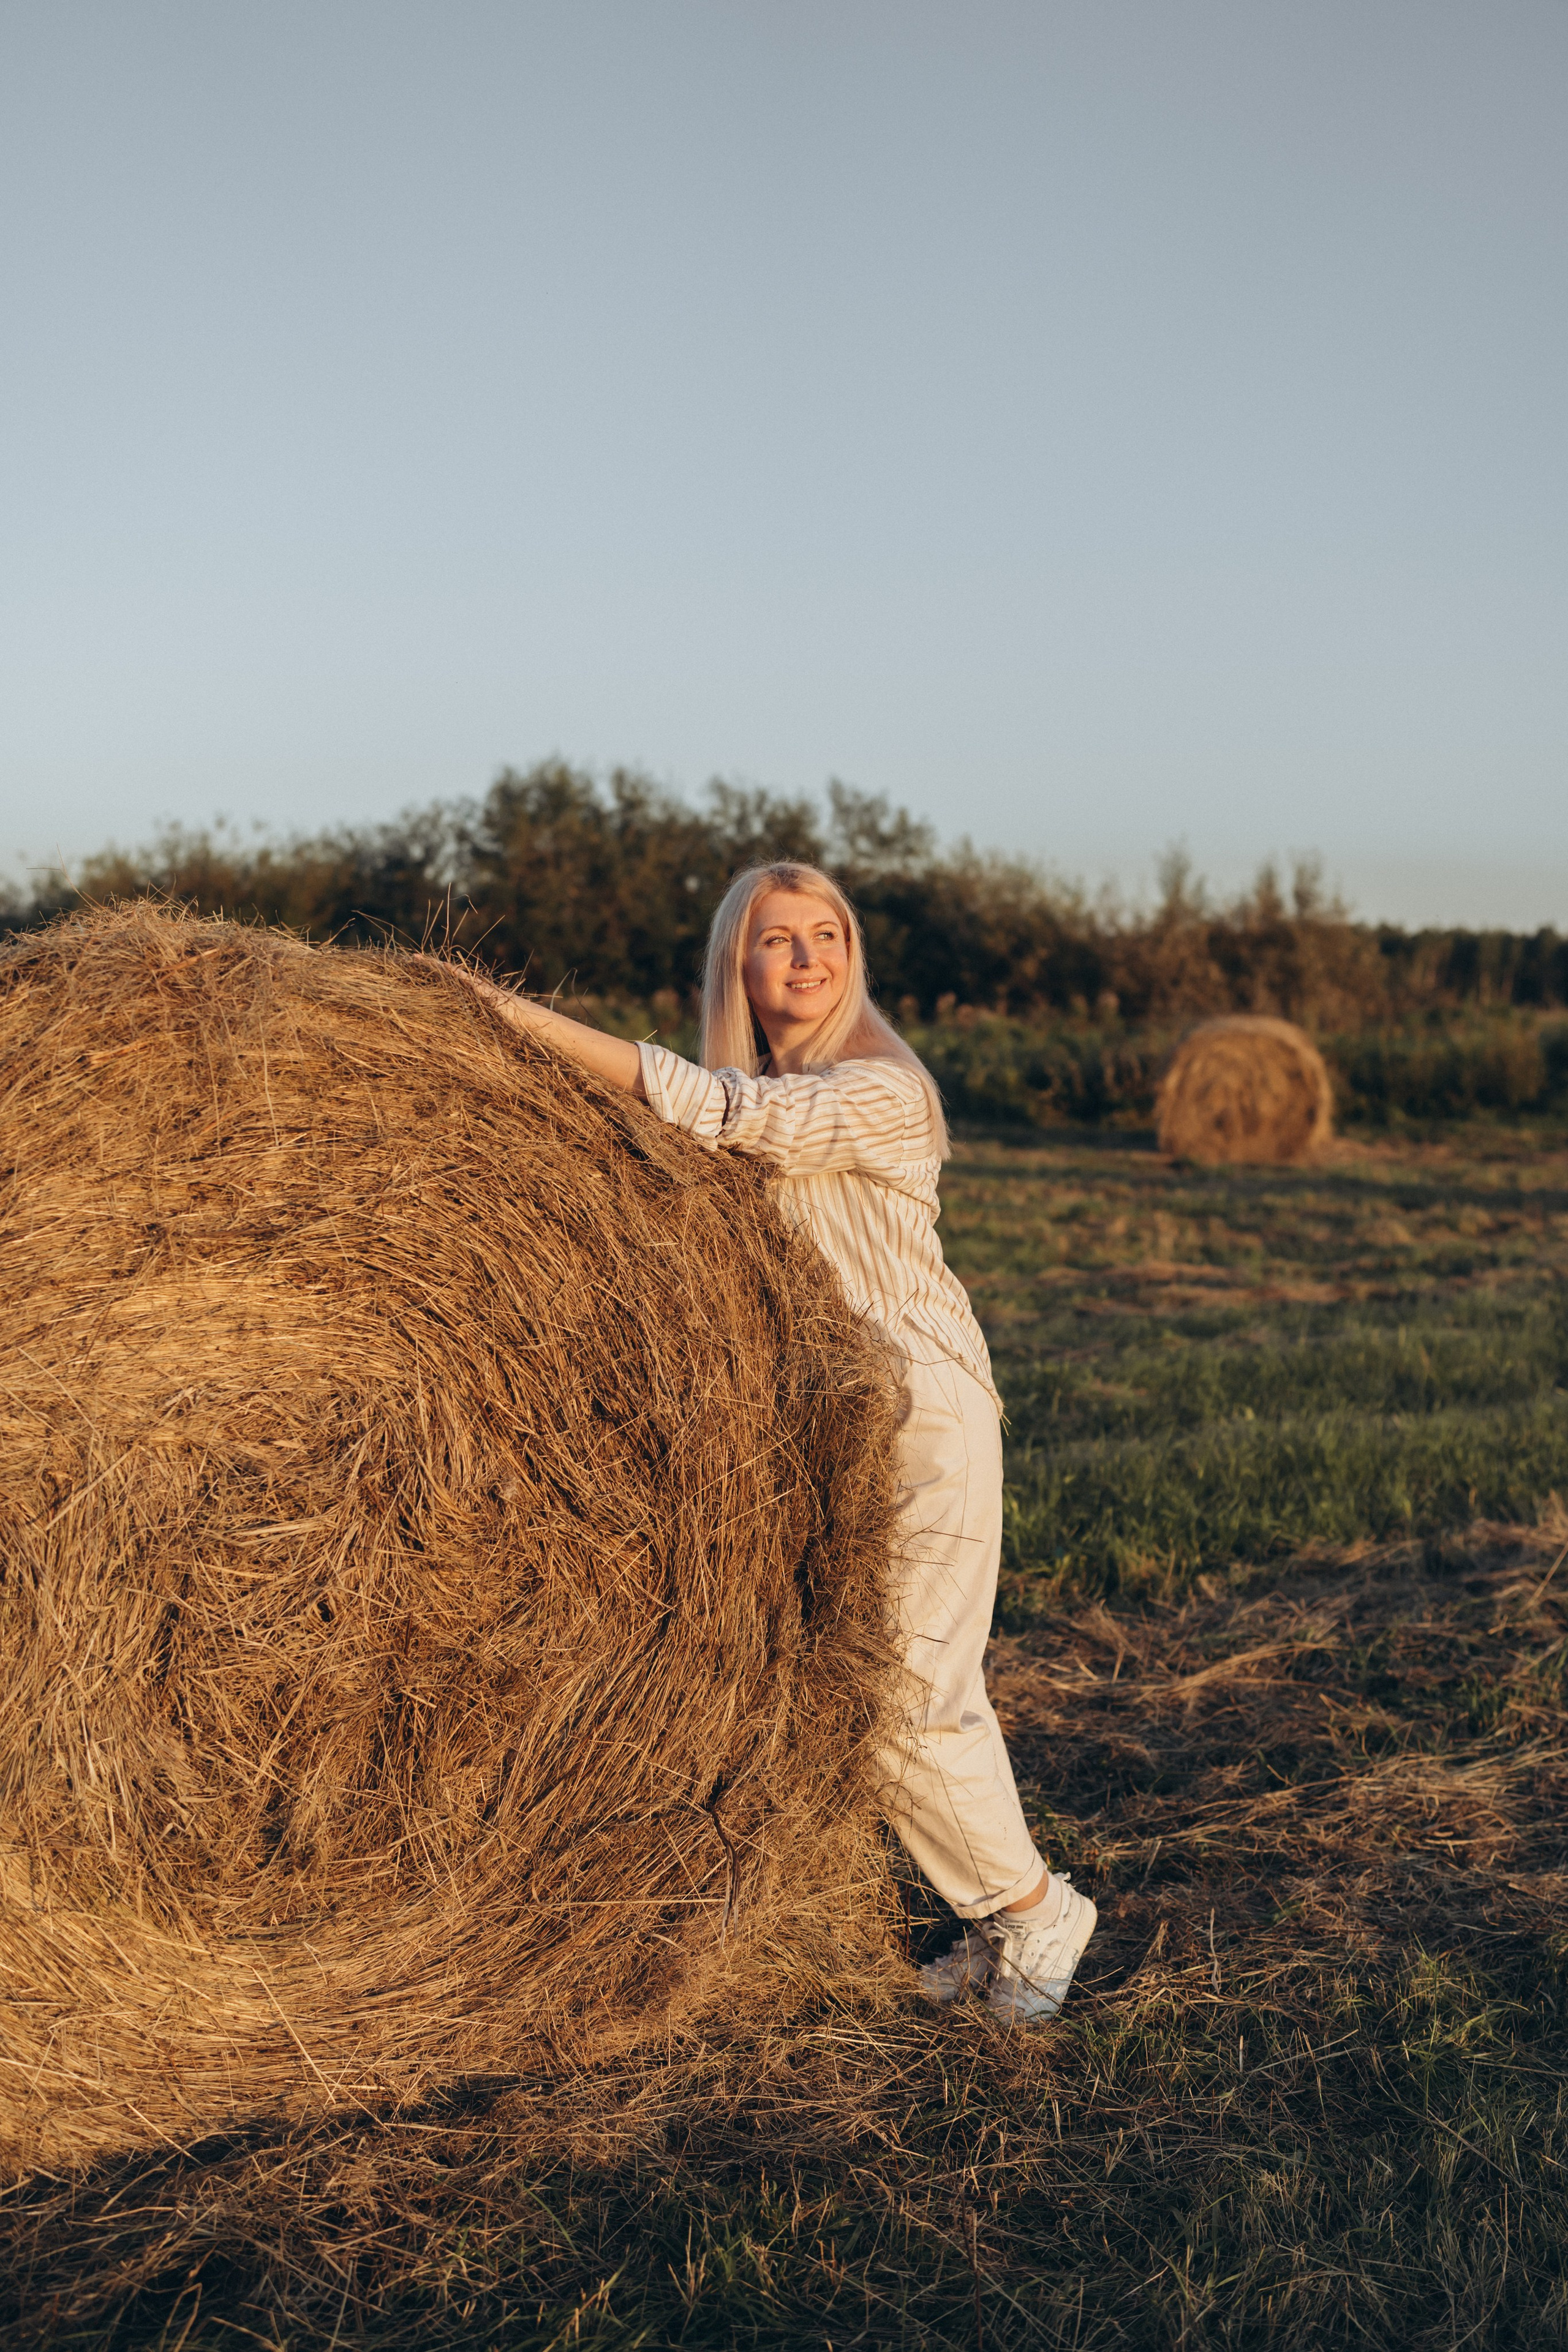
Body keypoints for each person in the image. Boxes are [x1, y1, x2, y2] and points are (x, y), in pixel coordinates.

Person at [418, 863, 1096, 2022]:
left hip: (923, 1417)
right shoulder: (777, 1081)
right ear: (738, 959)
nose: (808, 957)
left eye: (827, 934)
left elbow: (725, 1113)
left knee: (910, 1694)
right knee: (860, 1684)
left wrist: (513, 1018)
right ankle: (998, 1923)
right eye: (779, 938)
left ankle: (1036, 1913)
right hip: (830, 1428)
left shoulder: (883, 1088)